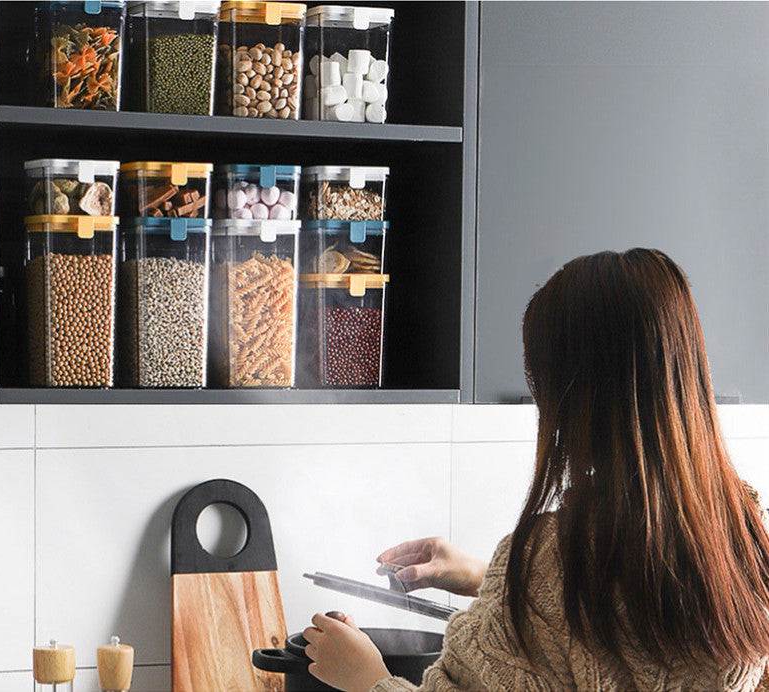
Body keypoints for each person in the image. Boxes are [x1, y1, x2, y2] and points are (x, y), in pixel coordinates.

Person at [302, 249, 769, 691]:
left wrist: (367, 677)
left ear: (566, 397)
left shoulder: (549, 561)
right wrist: (486, 579)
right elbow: (619, 626)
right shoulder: (743, 532)